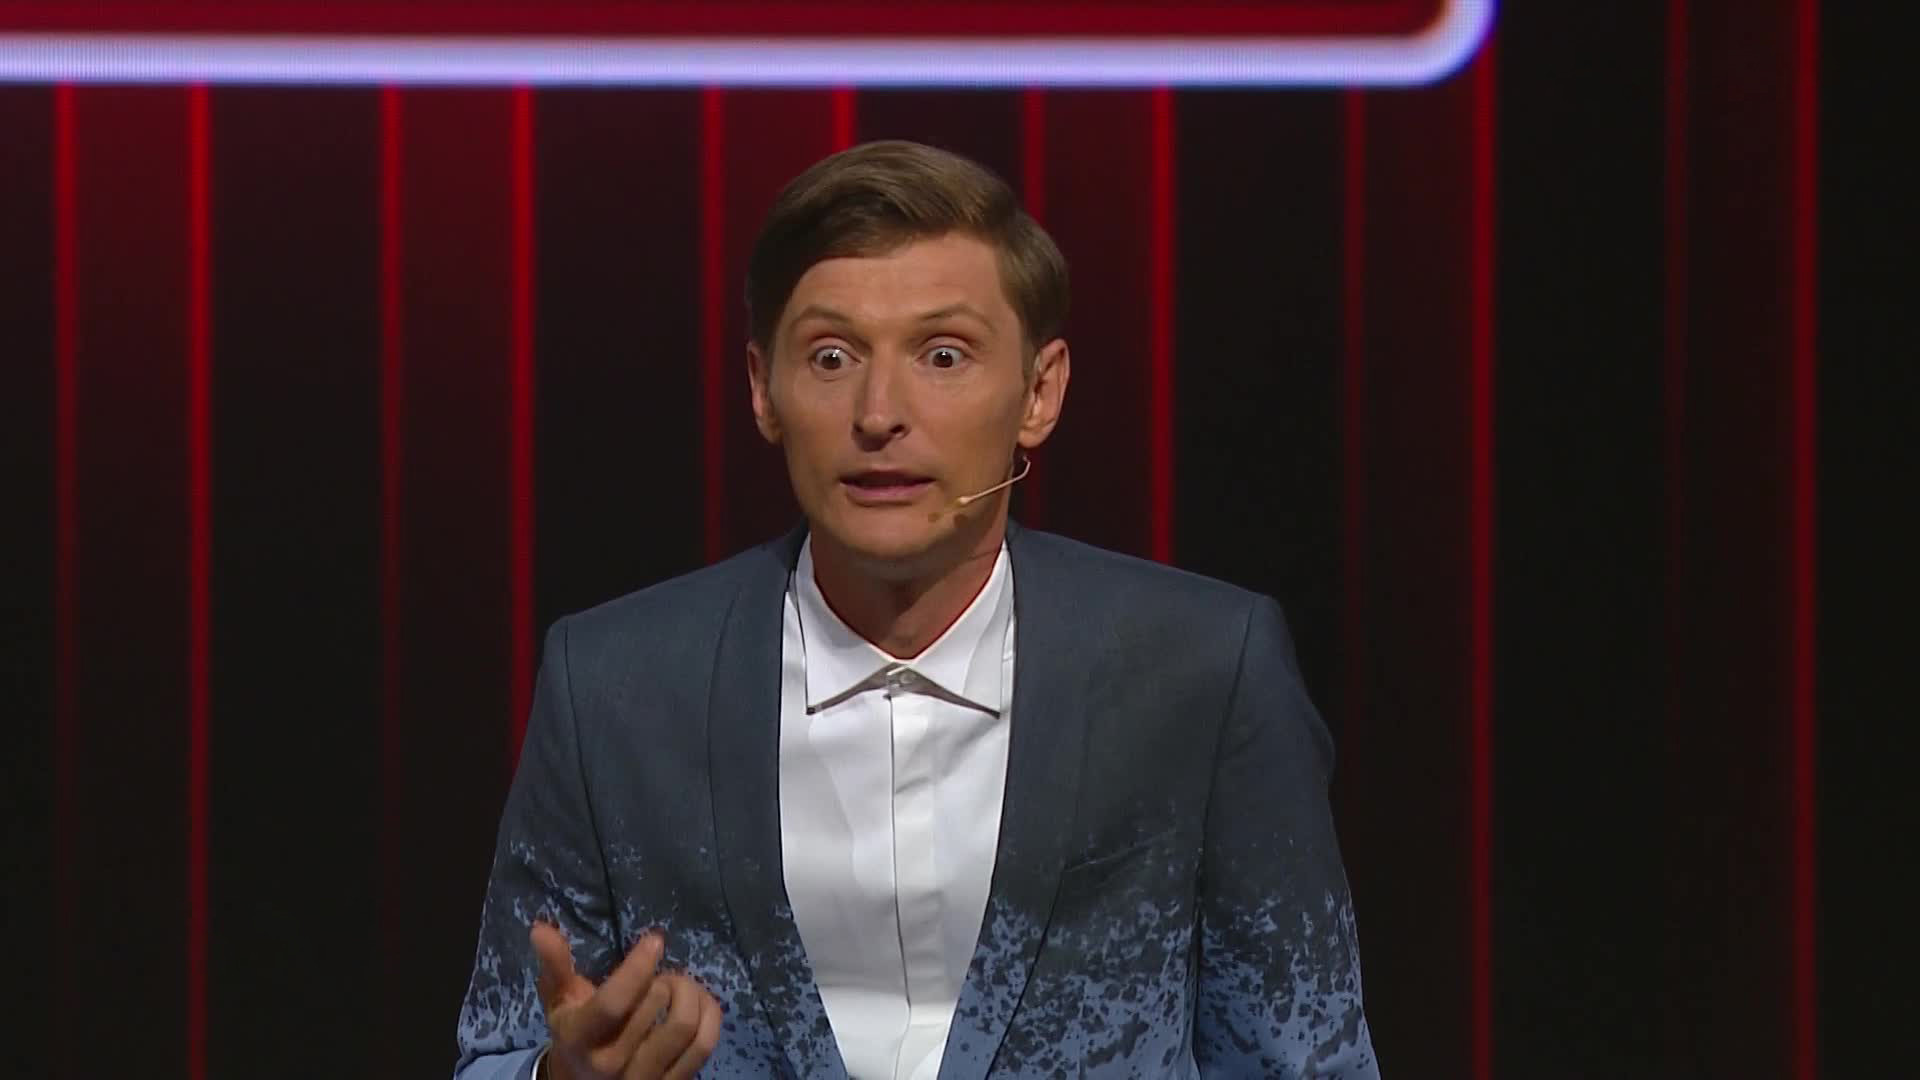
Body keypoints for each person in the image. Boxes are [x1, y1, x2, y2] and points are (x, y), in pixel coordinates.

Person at [454, 140, 1379, 1080]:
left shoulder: (1203, 671)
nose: (878, 412)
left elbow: (1308, 1062)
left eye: (943, 355)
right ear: (763, 389)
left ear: (1040, 391)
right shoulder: (613, 687)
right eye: (830, 357)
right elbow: (496, 1054)